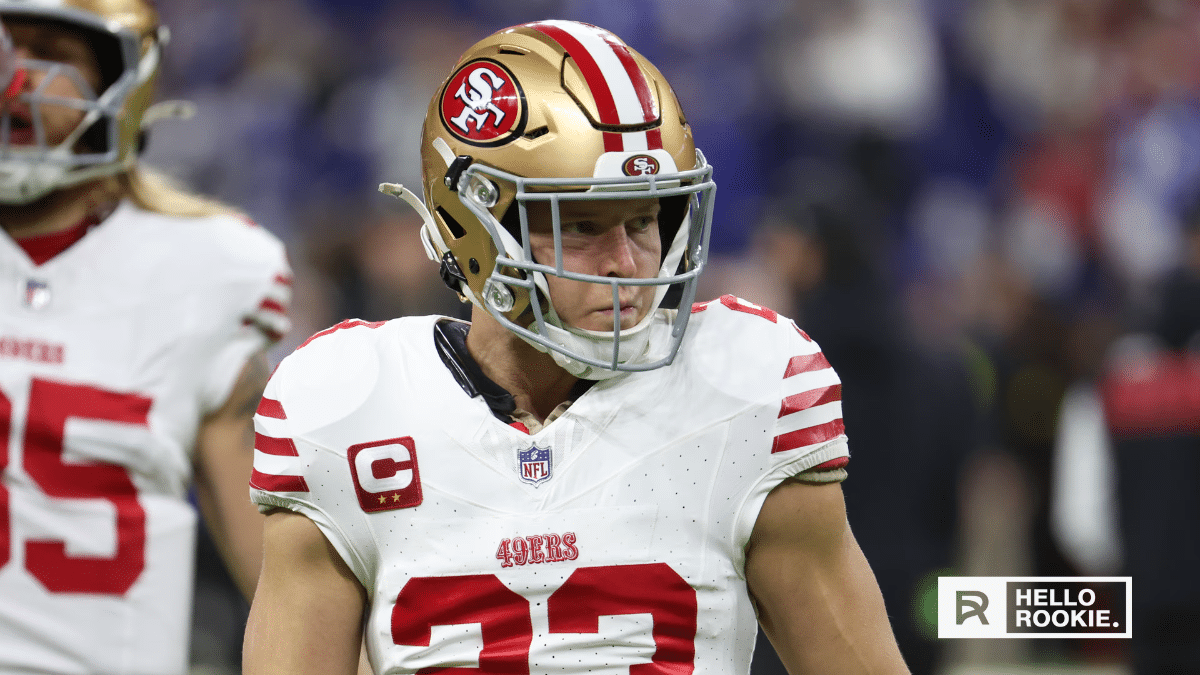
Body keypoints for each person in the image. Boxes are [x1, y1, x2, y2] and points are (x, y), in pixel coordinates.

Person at [243, 20, 907, 675]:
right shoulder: (349, 405)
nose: (626, 262)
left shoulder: (744, 388)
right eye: (582, 225)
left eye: (644, 219)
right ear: (473, 228)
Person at [0, 2, 291, 674]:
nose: (12, 75)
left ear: (124, 80)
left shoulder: (208, 269)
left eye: (47, 50)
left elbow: (286, 578)